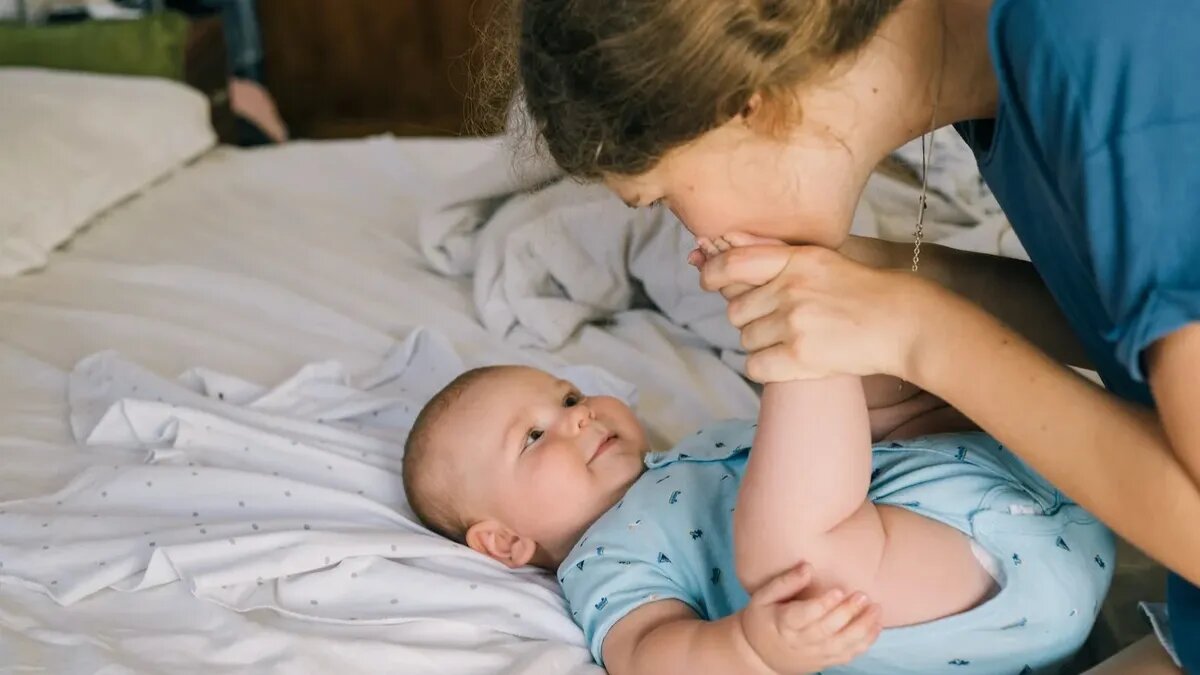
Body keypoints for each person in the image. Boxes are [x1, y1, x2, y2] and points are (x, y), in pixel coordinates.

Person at [505, 0, 1200, 670]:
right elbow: (1124, 321)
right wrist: (891, 283)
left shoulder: (1102, 45)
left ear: (739, 104)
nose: (695, 234)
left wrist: (919, 333)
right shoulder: (992, 68)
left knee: (794, 557)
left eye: (659, 197)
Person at [401, 347, 1112, 673]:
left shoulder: (692, 448)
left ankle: (884, 336)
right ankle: (810, 343)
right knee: (802, 552)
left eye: (566, 397)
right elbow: (651, 656)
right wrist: (751, 648)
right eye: (534, 437)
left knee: (861, 382)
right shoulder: (601, 562)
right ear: (503, 542)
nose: (578, 417)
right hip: (975, 586)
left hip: (1036, 484)